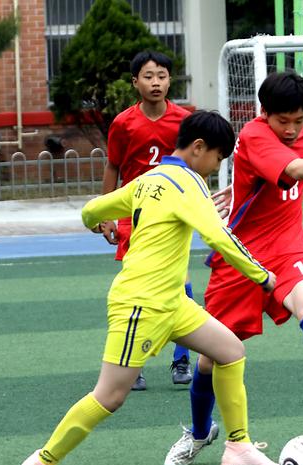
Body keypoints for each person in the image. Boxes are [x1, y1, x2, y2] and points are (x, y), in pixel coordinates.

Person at [19, 111, 281, 465]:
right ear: (198, 149)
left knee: (229, 351)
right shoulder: (188, 182)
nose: (217, 168)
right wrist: (263, 277)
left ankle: (239, 445)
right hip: (141, 303)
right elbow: (219, 236)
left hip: (172, 301)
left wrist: (95, 221)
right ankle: (42, 463)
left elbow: (95, 208)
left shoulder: (151, 177)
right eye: (218, 159)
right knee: (110, 396)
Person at [163, 71, 303, 465]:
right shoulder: (253, 135)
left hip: (287, 243)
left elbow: (267, 179)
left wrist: (236, 191)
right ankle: (200, 433)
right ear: (264, 113)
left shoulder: (299, 133)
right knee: (210, 358)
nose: (291, 130)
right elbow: (293, 171)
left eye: (299, 121)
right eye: (281, 121)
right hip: (240, 253)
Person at [100, 50, 194, 390]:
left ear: (170, 80)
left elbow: (194, 166)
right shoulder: (123, 123)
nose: (156, 82)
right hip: (135, 218)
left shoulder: (185, 121)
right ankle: (133, 364)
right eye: (149, 76)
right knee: (137, 288)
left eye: (163, 76)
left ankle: (181, 360)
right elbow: (113, 166)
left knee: (179, 283)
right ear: (135, 82)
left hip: (172, 217)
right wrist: (107, 213)